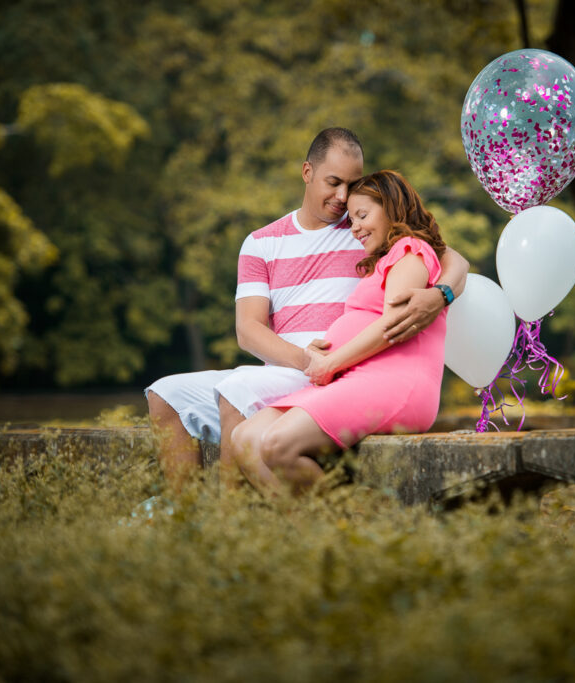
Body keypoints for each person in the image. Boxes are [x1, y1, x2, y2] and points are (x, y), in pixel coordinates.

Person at [145, 128, 468, 490]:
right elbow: (248, 331)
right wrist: (304, 360)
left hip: (342, 365)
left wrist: (441, 294)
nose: (342, 196)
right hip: (294, 363)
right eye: (333, 182)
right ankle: (181, 514)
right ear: (307, 172)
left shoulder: (364, 228)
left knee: (237, 388)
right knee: (164, 393)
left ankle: (231, 521)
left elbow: (448, 256)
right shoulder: (261, 242)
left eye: (352, 184)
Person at [231, 170, 451, 496]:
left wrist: (330, 363)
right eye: (352, 220)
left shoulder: (410, 250)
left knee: (277, 445)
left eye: (363, 215)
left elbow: (391, 327)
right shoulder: (382, 259)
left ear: (392, 207)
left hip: (397, 382)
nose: (356, 227)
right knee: (245, 438)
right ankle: (308, 535)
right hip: (359, 378)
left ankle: (350, 530)